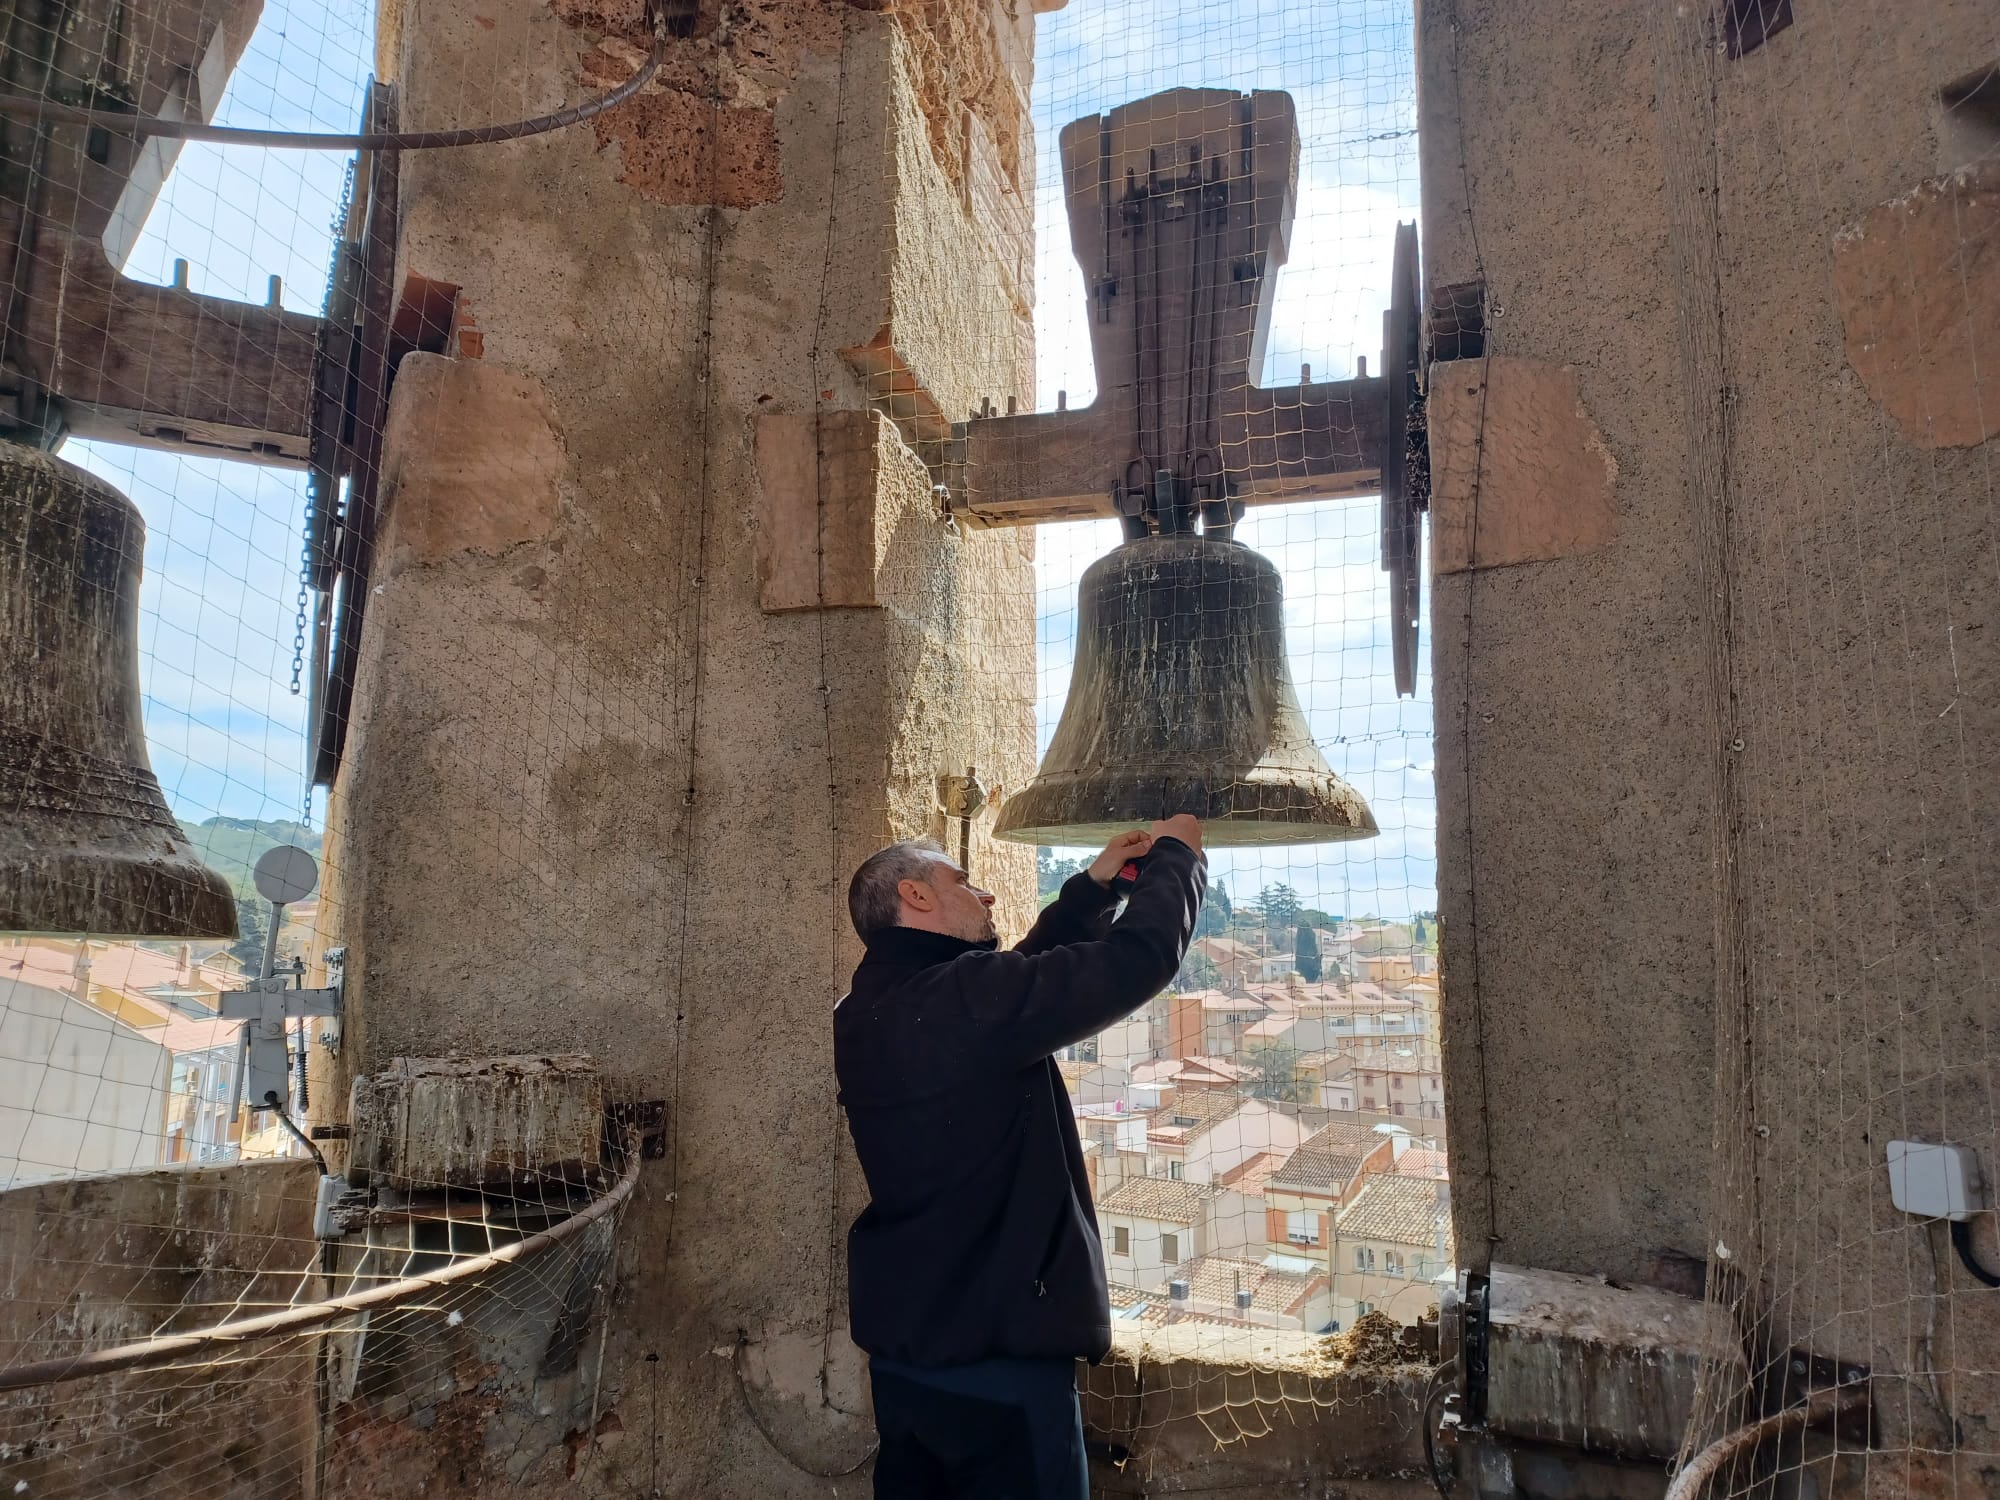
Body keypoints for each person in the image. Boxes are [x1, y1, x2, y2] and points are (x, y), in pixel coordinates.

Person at [834, 814, 1207, 1498]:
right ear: (915, 896)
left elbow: (1009, 991)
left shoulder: (869, 1008)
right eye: (963, 881)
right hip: (1000, 1367)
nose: (987, 896)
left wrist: (1091, 892)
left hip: (907, 1361)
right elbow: (1137, 959)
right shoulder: (961, 1003)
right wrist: (1179, 855)